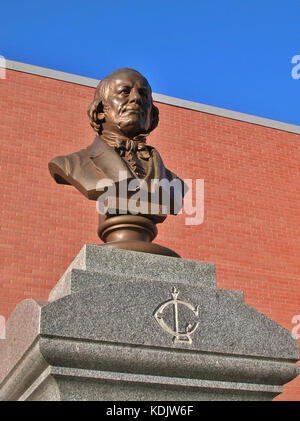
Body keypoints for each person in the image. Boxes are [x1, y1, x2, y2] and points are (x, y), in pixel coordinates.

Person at [49, 68, 185, 217]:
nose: (136, 99)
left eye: (143, 95)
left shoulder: (174, 183)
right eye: (124, 92)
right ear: (100, 111)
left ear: (152, 116)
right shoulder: (71, 165)